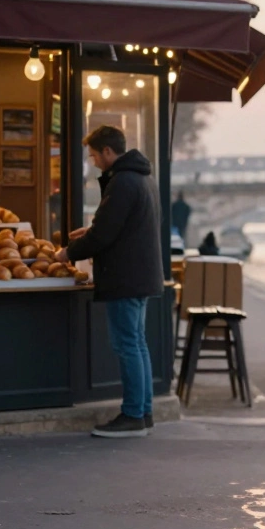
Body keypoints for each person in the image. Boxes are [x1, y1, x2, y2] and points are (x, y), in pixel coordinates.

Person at [57, 126, 162, 438]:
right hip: (140, 275)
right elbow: (119, 225)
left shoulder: (123, 181)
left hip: (124, 277)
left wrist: (68, 253)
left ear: (107, 151)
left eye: (94, 156)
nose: (93, 163)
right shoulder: (142, 178)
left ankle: (132, 415)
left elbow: (106, 234)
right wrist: (88, 232)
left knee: (127, 344)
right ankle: (143, 412)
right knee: (137, 344)